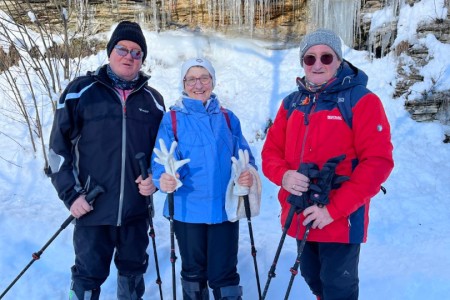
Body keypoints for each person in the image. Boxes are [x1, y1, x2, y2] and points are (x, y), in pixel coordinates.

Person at [261, 29, 394, 300]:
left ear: (338, 60)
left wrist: (333, 210)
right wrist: (284, 176)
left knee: (338, 289)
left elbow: (378, 162)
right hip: (299, 214)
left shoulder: (361, 101)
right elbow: (270, 152)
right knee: (314, 280)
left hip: (340, 220)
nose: (317, 64)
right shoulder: (292, 103)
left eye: (326, 56)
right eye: (310, 58)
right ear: (303, 63)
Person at [47, 21, 165, 300]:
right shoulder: (80, 92)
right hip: (92, 207)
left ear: (142, 59)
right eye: (122, 49)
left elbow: (163, 155)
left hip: (136, 212)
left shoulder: (154, 101)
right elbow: (56, 151)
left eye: (137, 52)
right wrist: (71, 195)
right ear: (110, 52)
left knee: (134, 274)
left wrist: (156, 181)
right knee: (87, 277)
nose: (129, 56)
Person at [151, 57, 258, 300]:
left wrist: (247, 173)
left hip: (224, 209)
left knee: (225, 275)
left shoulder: (228, 118)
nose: (198, 84)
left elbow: (245, 156)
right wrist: (163, 179)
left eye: (204, 78)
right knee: (193, 274)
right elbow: (161, 159)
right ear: (183, 83)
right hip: (187, 210)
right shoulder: (172, 119)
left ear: (212, 81)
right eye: (191, 79)